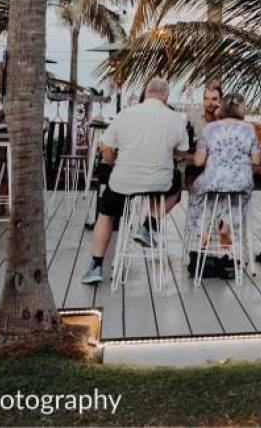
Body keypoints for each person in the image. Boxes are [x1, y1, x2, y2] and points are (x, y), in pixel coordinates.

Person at [80, 78, 189, 284]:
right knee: (177, 184)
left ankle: (96, 266)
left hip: (124, 182)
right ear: (166, 97)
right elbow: (182, 153)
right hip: (160, 183)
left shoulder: (125, 114)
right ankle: (149, 224)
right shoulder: (175, 119)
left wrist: (111, 159)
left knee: (106, 213)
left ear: (146, 93)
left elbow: (105, 148)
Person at [186, 93, 260, 279]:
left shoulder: (210, 129)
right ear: (240, 108)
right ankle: (226, 225)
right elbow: (257, 160)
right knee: (237, 196)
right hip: (240, 182)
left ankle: (204, 230)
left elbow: (198, 162)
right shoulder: (249, 128)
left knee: (199, 192)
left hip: (215, 180)